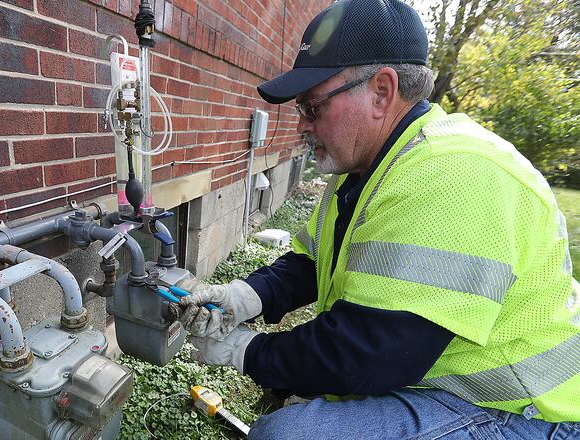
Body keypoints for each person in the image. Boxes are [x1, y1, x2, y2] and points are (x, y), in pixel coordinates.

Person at [175, 0, 580, 438]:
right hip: (447, 374)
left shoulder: (453, 174)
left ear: (382, 92)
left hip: (523, 410)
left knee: (289, 435)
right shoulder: (370, 167)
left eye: (312, 108)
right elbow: (310, 262)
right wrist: (242, 296)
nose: (301, 127)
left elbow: (366, 355)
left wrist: (245, 351)